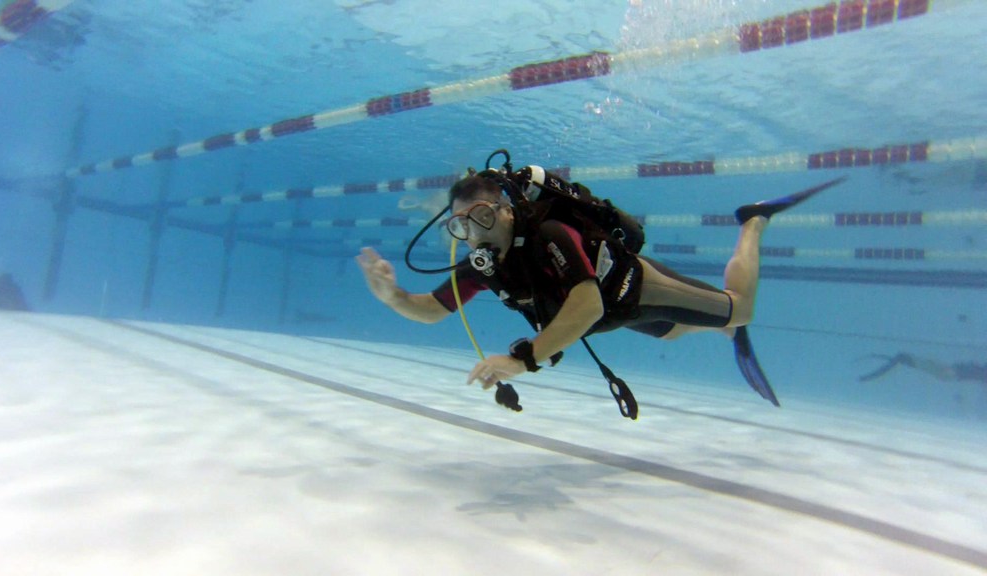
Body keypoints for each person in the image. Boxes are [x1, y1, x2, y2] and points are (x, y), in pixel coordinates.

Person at [356, 165, 842, 414]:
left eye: (482, 216)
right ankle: (719, 329)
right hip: (611, 315)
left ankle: (753, 221)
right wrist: (392, 297)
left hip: (632, 290)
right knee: (672, 331)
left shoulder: (549, 235)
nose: (475, 233)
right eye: (462, 225)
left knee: (740, 310)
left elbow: (586, 305)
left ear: (505, 210)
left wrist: (523, 360)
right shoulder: (484, 266)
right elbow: (432, 308)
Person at [860, 353, 987, 385]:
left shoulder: (980, 373)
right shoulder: (980, 371)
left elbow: (969, 373)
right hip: (950, 372)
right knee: (926, 364)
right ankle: (904, 360)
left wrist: (953, 371)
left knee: (926, 364)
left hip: (949, 373)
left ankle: (904, 359)